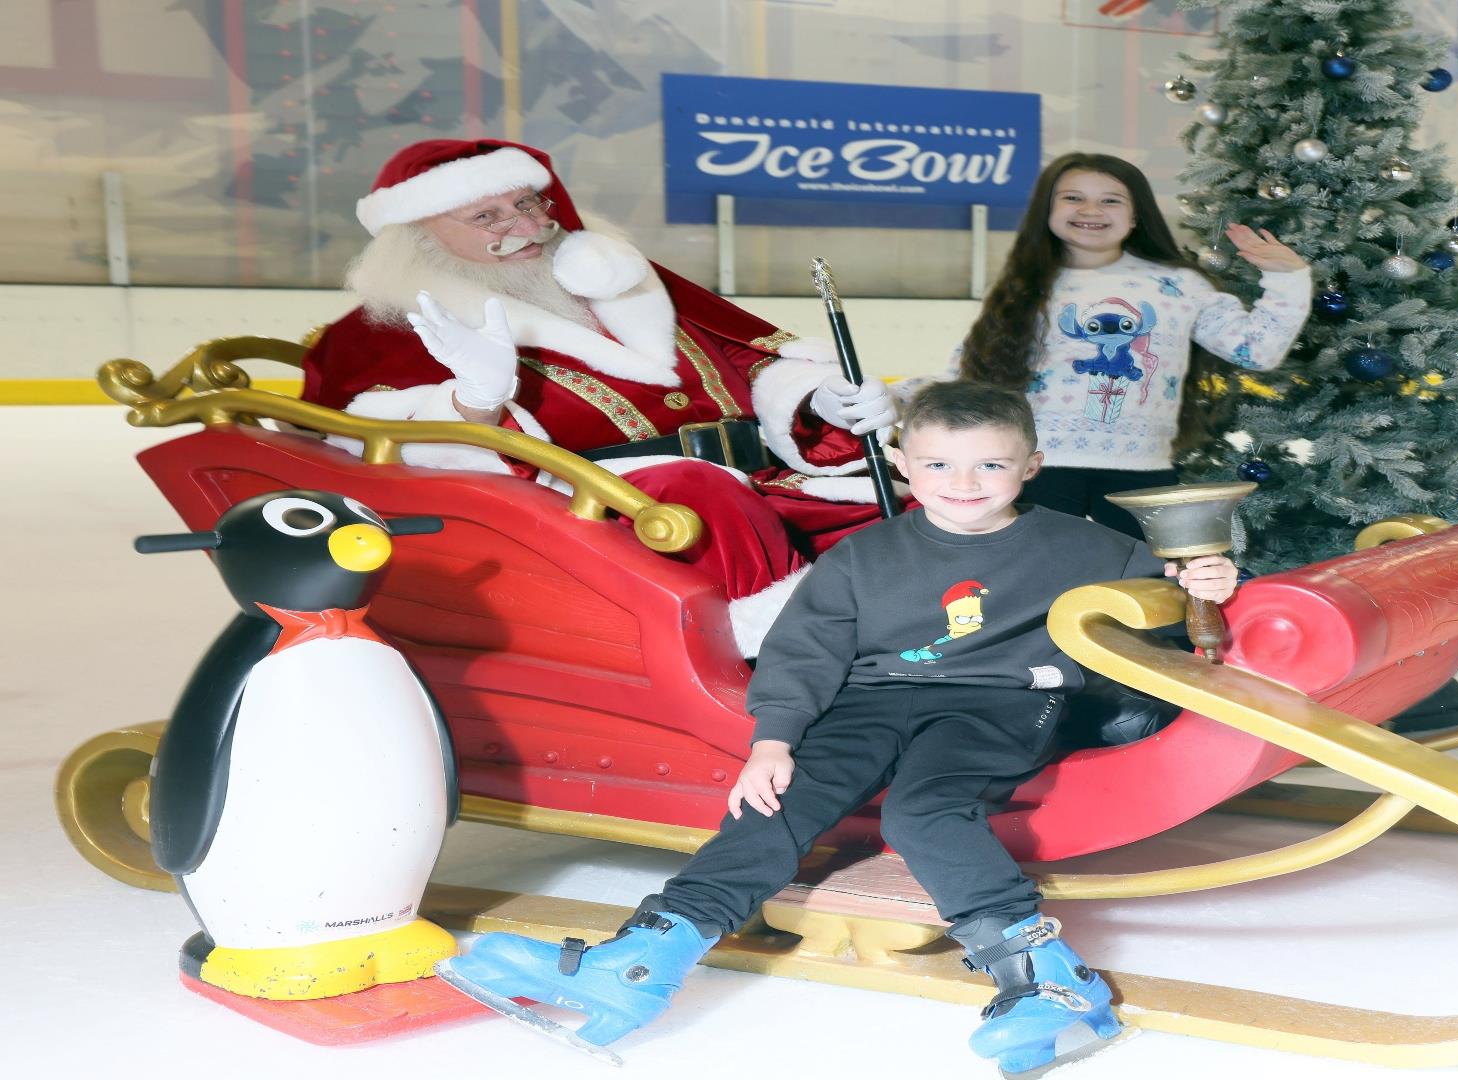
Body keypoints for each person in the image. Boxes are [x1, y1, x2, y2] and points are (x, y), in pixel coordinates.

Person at [440, 381, 1240, 1076]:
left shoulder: (1088, 544)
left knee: (922, 811)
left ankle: (1045, 973)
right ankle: (648, 954)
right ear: (902, 466)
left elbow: (1168, 613)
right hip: (870, 699)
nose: (963, 483)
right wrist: (774, 740)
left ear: (1030, 465)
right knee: (776, 801)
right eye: (937, 465)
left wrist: (1205, 580)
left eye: (991, 465)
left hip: (999, 700)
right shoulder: (866, 556)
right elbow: (805, 652)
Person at [299, 138, 898, 655]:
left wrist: (818, 400)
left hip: (764, 480)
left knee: (930, 506)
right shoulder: (380, 332)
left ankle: (937, 659)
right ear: (418, 238)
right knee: (699, 495)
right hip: (606, 517)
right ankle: (783, 665)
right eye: (487, 217)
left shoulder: (619, 278)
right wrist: (475, 400)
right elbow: (377, 450)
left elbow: (744, 353)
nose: (528, 226)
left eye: (527, 203)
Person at [910, 151, 1312, 539]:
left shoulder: (1179, 286)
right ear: (1047, 211)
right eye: (1073, 198)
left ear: (1136, 215)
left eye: (1110, 200)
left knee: (1143, 593)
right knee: (1037, 593)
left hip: (1141, 471)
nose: (1090, 210)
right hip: (1037, 470)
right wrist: (889, 398)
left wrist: (1287, 278)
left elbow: (1256, 350)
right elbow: (965, 378)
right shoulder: (1022, 289)